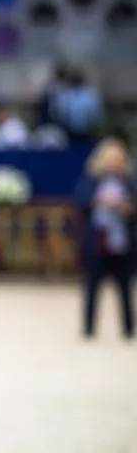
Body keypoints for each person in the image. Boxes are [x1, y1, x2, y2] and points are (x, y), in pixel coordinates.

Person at [74, 138, 136, 340]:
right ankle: (89, 329)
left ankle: (128, 330)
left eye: (117, 158)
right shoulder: (91, 180)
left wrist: (126, 208)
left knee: (125, 290)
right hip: (97, 243)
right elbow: (80, 203)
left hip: (122, 243)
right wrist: (99, 201)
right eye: (110, 158)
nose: (113, 162)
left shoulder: (130, 182)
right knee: (91, 289)